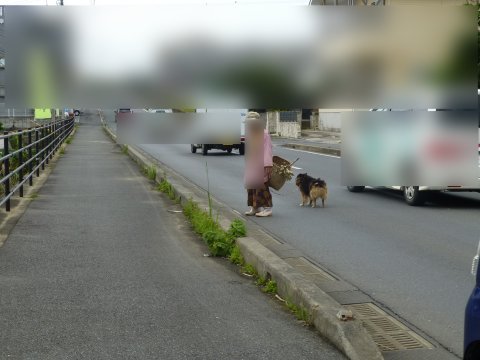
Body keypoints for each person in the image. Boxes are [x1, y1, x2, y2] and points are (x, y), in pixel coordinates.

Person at [244, 112, 273, 217]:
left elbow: (267, 150)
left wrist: (268, 165)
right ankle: (255, 207)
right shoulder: (250, 134)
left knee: (262, 186)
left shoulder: (264, 134)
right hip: (251, 165)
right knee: (251, 186)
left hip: (261, 165)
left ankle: (267, 208)